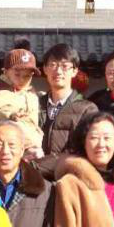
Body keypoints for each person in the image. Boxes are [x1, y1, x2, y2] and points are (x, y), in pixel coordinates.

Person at [34, 43, 96, 181]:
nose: (58, 71)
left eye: (64, 66)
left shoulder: (86, 109)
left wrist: (35, 166)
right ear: (45, 69)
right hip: (34, 182)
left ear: (74, 71)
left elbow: (80, 152)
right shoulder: (34, 104)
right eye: (53, 65)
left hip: (68, 181)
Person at [0, 41, 44, 157]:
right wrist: (11, 115)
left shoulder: (31, 93)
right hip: (6, 148)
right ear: (5, 72)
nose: (22, 79)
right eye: (17, 74)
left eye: (27, 76)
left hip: (30, 147)